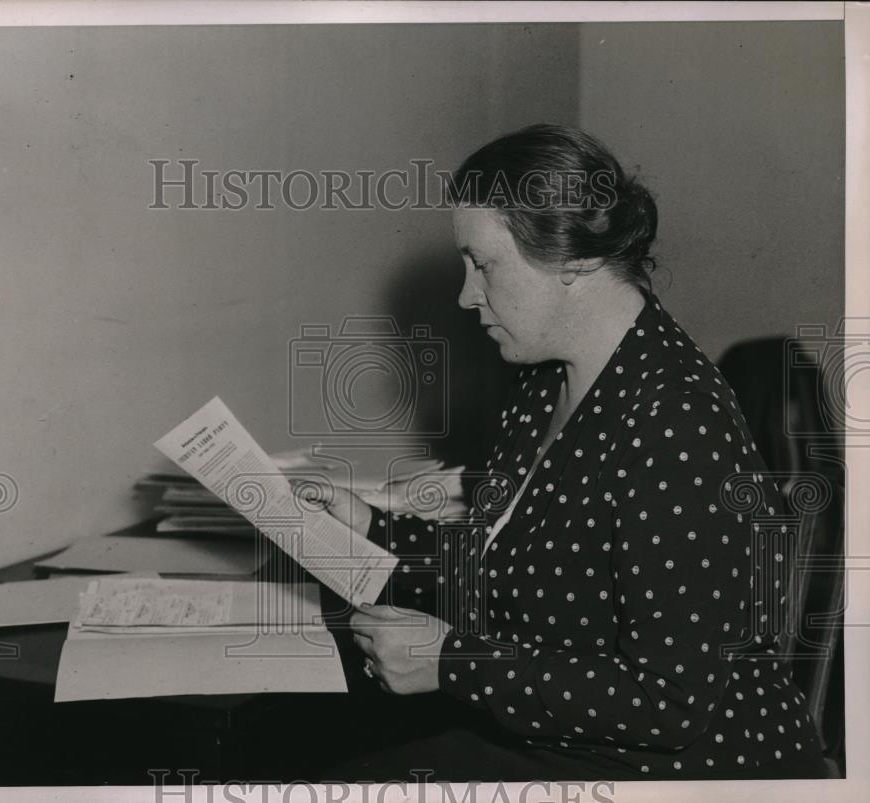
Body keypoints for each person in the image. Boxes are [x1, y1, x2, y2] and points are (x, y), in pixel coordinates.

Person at [295, 124, 827, 780]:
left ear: (573, 260)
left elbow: (671, 702)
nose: (466, 294)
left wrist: (451, 661)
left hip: (695, 773)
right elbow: (517, 570)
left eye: (484, 264)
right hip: (569, 745)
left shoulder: (672, 417)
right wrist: (372, 528)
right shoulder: (545, 380)